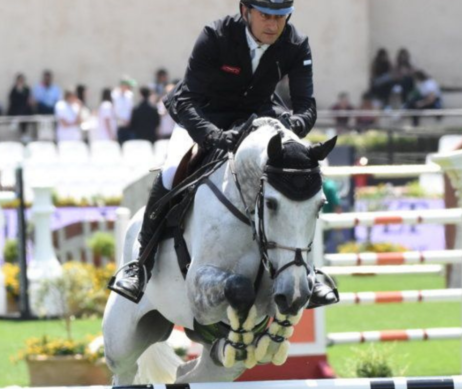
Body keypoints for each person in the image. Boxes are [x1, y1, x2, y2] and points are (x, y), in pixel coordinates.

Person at [111, 0, 337, 309]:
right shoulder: (216, 36)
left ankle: (307, 271)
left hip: (257, 117)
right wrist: (213, 136)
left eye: (281, 17)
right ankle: (140, 264)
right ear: (246, 11)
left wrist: (292, 126)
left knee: (296, 175)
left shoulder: (296, 44)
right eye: (265, 16)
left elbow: (306, 107)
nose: (273, 25)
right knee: (171, 170)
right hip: (204, 115)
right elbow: (187, 100)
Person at [7, 73, 34, 137]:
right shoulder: (14, 90)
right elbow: (12, 100)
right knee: (20, 109)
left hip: (25, 110)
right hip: (15, 109)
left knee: (24, 111)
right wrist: (18, 91)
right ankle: (16, 121)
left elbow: (28, 99)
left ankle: (24, 132)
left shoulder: (26, 89)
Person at [112, 76, 136, 144]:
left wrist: (129, 120)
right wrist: (122, 120)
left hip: (128, 125)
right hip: (119, 125)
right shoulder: (115, 95)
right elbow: (115, 110)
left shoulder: (130, 95)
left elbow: (131, 109)